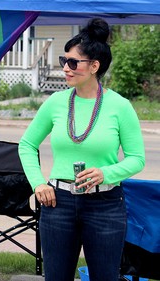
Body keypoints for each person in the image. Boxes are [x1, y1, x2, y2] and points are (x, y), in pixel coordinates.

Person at [19, 18, 145, 281]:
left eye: (73, 62)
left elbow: (136, 159)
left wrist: (106, 173)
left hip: (106, 205)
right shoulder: (55, 102)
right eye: (64, 61)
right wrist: (38, 184)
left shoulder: (120, 106)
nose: (66, 68)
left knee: (105, 277)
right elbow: (27, 145)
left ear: (94, 66)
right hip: (58, 204)